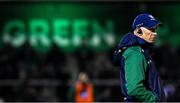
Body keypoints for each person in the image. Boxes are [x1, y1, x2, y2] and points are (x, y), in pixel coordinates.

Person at [114, 13, 175, 102]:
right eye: (151, 29)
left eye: (155, 29)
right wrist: (154, 100)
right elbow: (135, 89)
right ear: (138, 31)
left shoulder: (141, 51)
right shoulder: (135, 54)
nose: (155, 33)